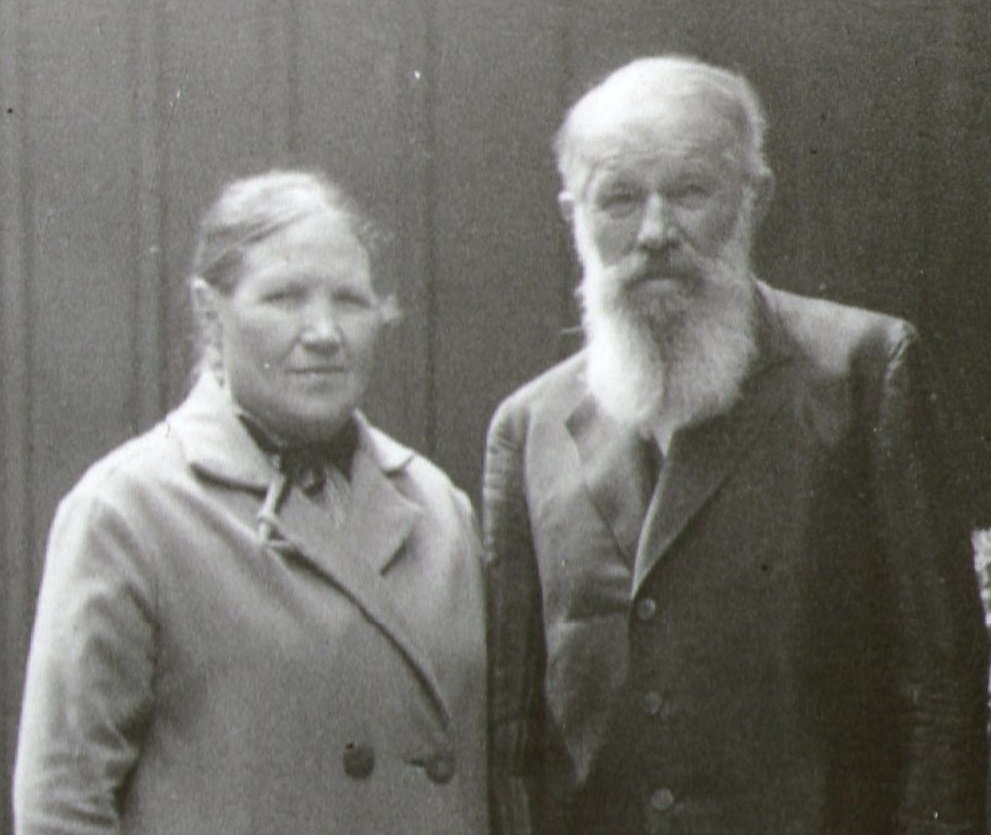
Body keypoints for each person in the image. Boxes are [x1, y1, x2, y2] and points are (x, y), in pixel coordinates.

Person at [483, 56, 988, 835]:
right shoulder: (528, 427)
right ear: (571, 216)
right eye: (618, 198)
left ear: (755, 198)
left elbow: (944, 690)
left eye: (690, 191)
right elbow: (512, 734)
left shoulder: (862, 372)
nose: (655, 232)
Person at [14, 170, 488, 834]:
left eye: (351, 300)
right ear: (211, 313)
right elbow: (62, 804)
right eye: (285, 297)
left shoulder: (439, 510)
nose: (324, 331)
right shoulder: (130, 510)